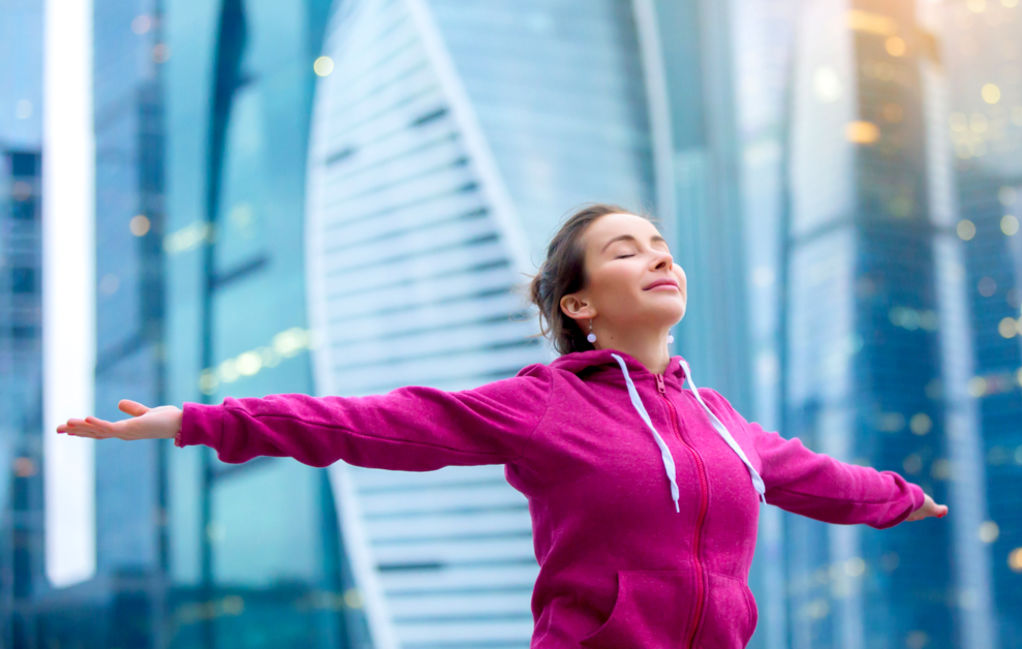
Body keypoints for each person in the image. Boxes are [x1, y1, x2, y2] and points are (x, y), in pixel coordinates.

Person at [57, 203, 948, 648]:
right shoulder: (544, 403)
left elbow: (815, 477)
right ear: (581, 303)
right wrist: (198, 421)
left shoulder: (721, 423)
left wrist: (901, 498)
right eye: (625, 249)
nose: (659, 255)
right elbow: (368, 423)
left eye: (661, 244)